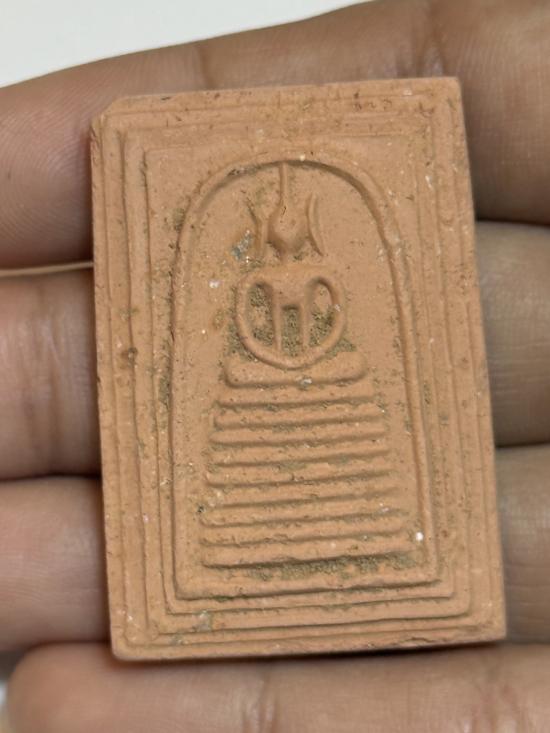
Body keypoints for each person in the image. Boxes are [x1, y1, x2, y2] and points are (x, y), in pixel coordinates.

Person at [1, 0, 550, 729]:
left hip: (331, 390)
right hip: (256, 388)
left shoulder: (325, 274)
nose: (284, 246)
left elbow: (323, 323)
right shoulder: (256, 282)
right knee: (252, 389)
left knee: (336, 392)